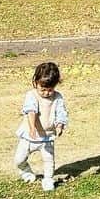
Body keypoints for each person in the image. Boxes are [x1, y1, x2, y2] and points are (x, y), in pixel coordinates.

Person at [14, 61, 68, 191]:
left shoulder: (58, 97)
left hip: (47, 137)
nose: (46, 93)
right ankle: (26, 171)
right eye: (43, 89)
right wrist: (32, 127)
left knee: (49, 161)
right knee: (19, 159)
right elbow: (31, 111)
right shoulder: (31, 95)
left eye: (50, 90)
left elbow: (61, 112)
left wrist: (60, 125)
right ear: (35, 83)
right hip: (29, 135)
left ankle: (48, 179)